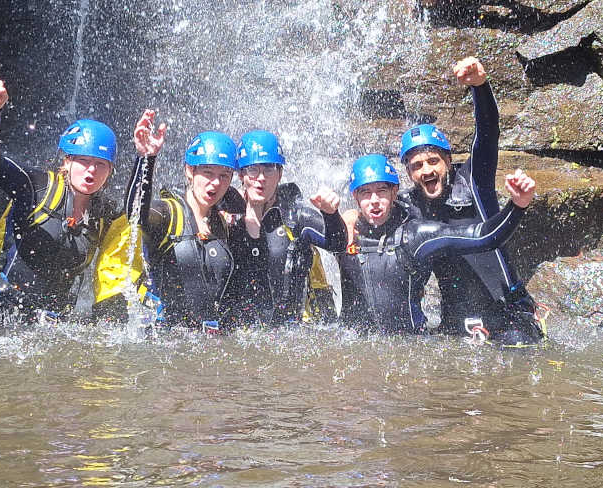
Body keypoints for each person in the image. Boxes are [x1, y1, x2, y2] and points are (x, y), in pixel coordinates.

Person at [398, 57, 544, 345]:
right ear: (408, 172)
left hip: (507, 310)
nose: (426, 170)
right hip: (455, 318)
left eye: (433, 161)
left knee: (516, 351)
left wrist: (480, 86)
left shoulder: (473, 181)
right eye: (417, 165)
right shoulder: (408, 206)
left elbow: (487, 134)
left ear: (448, 161)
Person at [0, 80, 120, 321]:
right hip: (0, 307)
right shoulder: (35, 186)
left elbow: (137, 216)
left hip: (51, 318)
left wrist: (146, 157)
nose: (91, 171)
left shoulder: (105, 212)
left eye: (100, 164)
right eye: (83, 161)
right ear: (67, 162)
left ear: (110, 171)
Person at [336, 154, 536, 337]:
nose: (374, 200)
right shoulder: (342, 235)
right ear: (355, 196)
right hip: (355, 342)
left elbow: (486, 237)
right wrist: (336, 218)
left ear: (394, 191)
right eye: (365, 192)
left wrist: (518, 206)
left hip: (412, 346)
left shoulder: (416, 234)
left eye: (381, 191)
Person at [124, 110, 237, 331]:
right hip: (165, 343)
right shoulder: (167, 214)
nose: (215, 183)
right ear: (189, 171)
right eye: (207, 173)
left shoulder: (220, 222)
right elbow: (135, 215)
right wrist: (145, 159)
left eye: (224, 176)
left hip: (205, 343)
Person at [220, 130, 346, 326]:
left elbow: (337, 244)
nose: (261, 178)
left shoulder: (296, 217)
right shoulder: (226, 216)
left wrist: (331, 214)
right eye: (253, 169)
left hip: (289, 334)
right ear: (241, 175)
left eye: (269, 169)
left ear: (280, 174)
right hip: (238, 334)